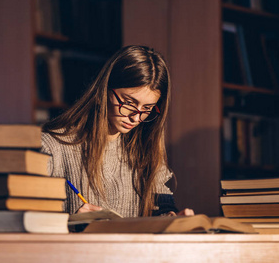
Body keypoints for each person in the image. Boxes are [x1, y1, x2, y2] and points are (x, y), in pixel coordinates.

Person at [41, 45, 193, 217]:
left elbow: (163, 210)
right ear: (104, 90)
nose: (136, 118)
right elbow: (27, 222)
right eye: (129, 103)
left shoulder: (145, 151)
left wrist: (173, 219)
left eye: (147, 108)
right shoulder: (52, 147)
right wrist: (69, 222)